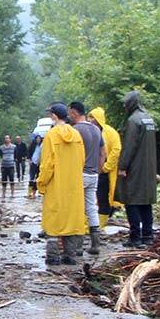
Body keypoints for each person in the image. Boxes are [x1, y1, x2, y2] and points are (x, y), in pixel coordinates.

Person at [37, 102, 87, 265]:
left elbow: (47, 164)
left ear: (54, 116)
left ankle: (52, 256)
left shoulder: (51, 135)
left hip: (55, 184)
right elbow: (82, 160)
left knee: (54, 219)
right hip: (73, 184)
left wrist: (41, 183)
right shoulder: (76, 134)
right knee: (71, 217)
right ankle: (70, 255)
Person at [115, 91, 158, 248]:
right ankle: (148, 235)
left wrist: (122, 166)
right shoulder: (148, 118)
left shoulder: (133, 121)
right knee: (146, 201)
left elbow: (129, 146)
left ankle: (135, 237)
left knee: (131, 200)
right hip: (149, 167)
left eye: (126, 103)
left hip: (135, 167)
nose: (124, 106)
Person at [68, 101, 106, 255]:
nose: (69, 115)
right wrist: (98, 169)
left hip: (79, 174)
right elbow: (103, 152)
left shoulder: (75, 130)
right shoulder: (97, 130)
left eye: (70, 112)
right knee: (91, 207)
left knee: (76, 208)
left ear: (75, 113)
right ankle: (95, 244)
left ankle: (77, 246)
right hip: (93, 174)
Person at [87, 106, 122, 230]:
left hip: (105, 170)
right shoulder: (91, 131)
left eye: (93, 118)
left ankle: (101, 225)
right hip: (93, 169)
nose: (90, 120)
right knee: (94, 197)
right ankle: (94, 222)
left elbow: (116, 150)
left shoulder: (110, 132)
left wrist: (107, 167)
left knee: (104, 197)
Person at [0, 135, 17, 200]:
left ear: (10, 139)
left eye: (8, 138)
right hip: (4, 165)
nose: (6, 139)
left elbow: (16, 154)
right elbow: (0, 155)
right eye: (5, 138)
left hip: (11, 165)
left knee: (12, 180)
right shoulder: (1, 147)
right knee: (4, 180)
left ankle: (12, 194)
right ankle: (3, 194)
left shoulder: (14, 147)